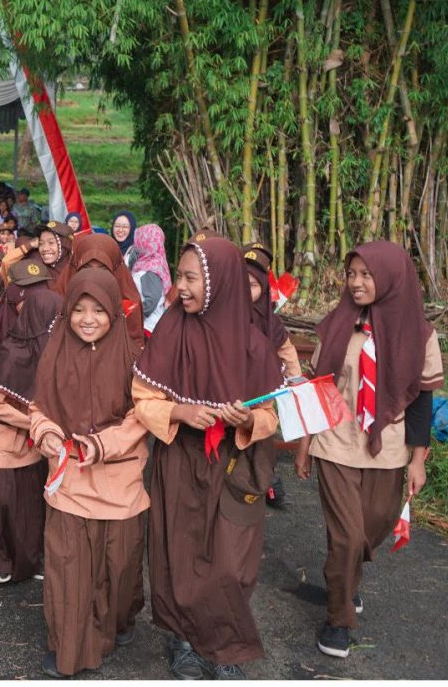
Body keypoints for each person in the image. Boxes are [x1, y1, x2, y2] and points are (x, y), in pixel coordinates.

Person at [131, 237, 283, 680]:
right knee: (179, 553)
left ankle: (225, 645)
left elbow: (273, 414)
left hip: (236, 467)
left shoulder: (254, 346)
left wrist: (247, 420)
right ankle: (186, 641)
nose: (181, 286)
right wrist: (180, 410)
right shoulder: (171, 331)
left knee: (231, 563)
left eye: (190, 278)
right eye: (180, 275)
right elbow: (142, 398)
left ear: (221, 283)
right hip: (180, 459)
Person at [297, 242, 443, 660]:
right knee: (346, 537)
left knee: (373, 527)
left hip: (389, 447)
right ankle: (339, 620)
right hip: (337, 440)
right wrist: (305, 445)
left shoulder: (419, 333)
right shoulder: (338, 323)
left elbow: (420, 403)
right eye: (351, 274)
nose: (356, 283)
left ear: (392, 277)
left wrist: (418, 462)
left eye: (366, 274)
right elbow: (318, 389)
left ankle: (347, 579)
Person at [30, 270, 147, 678]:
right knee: (68, 569)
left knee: (118, 570)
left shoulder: (134, 357)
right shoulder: (55, 350)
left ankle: (111, 625)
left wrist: (104, 444)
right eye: (78, 309)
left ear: (115, 311)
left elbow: (142, 417)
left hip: (120, 482)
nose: (87, 318)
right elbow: (39, 408)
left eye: (98, 309)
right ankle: (68, 646)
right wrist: (44, 432)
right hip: (70, 481)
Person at [0, 290, 63, 584]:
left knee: (29, 505)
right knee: (0, 504)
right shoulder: (11, 353)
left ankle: (29, 559)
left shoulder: (47, 352)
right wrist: (32, 422)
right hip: (2, 442)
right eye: (53, 320)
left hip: (30, 444)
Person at [243, 241, 301, 508]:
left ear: (264, 288)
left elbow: (286, 351)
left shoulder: (269, 320)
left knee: (261, 441)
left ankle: (267, 484)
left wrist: (295, 380)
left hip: (261, 393)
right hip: (231, 392)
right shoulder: (222, 314)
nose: (245, 290)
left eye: (252, 285)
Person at [55, 233, 145, 348]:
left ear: (115, 269)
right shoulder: (61, 294)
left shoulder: (130, 303)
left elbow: (134, 347)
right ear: (76, 267)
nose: (94, 275)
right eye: (87, 268)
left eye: (103, 268)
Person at [130, 224, 172, 336]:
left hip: (147, 328)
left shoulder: (151, 268)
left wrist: (133, 317)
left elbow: (152, 299)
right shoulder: (151, 262)